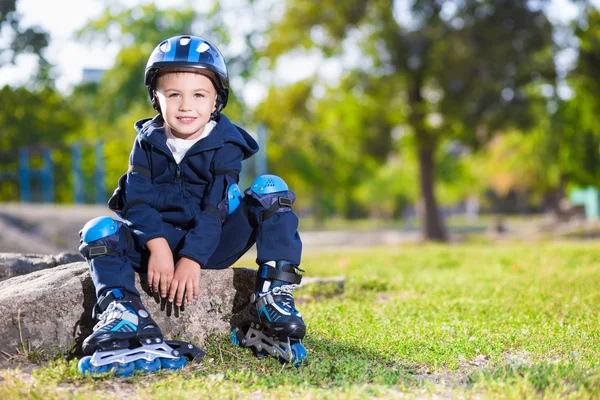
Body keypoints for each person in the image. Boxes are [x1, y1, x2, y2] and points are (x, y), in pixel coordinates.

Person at [77, 35, 306, 376]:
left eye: (199, 95)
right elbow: (137, 202)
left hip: (212, 245)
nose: (186, 106)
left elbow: (216, 208)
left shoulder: (226, 144)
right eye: (174, 94)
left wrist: (191, 259)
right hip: (156, 245)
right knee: (99, 230)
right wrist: (158, 249)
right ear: (156, 98)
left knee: (271, 189)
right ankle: (124, 313)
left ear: (216, 101)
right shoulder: (146, 144)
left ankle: (271, 299)